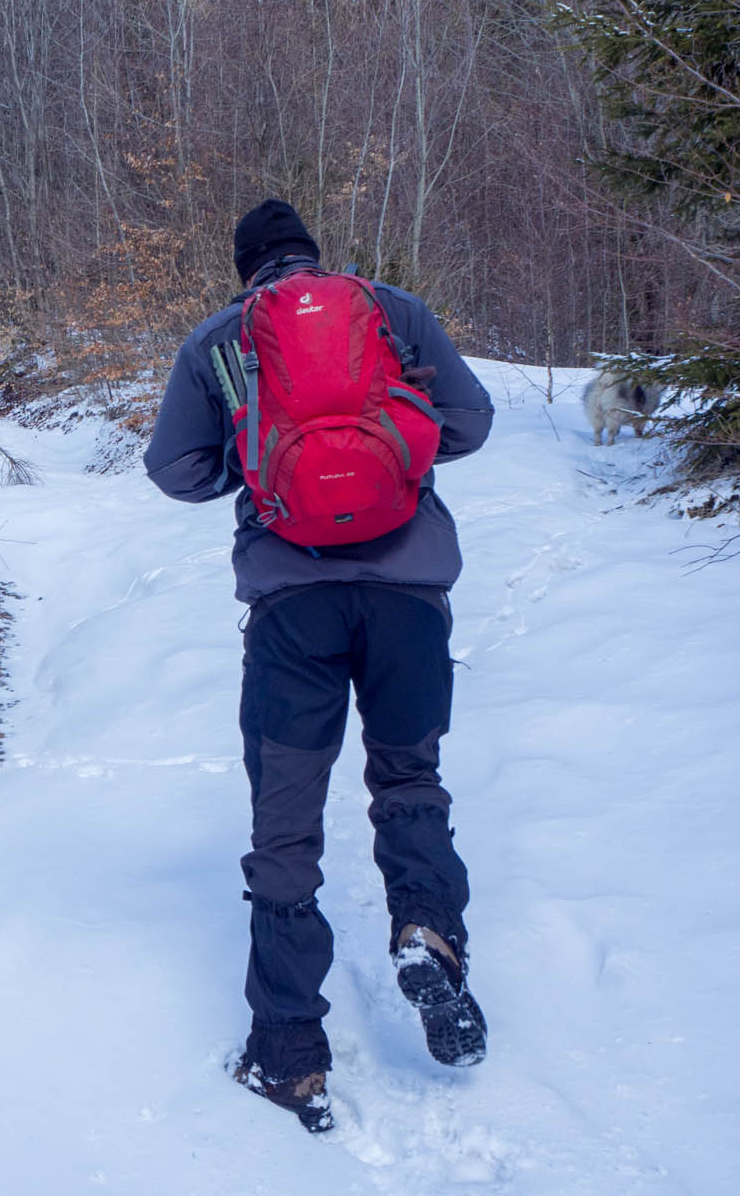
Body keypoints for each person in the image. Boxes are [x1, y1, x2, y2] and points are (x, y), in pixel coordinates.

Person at [144, 199, 495, 1133]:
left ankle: (291, 1053)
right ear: (312, 256)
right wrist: (399, 458)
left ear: (244, 267)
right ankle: (427, 932)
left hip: (291, 609)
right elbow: (471, 420)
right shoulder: (393, 311)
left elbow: (175, 469)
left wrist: (257, 466)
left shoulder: (221, 341)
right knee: (410, 774)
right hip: (409, 597)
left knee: (285, 820)